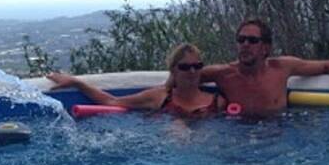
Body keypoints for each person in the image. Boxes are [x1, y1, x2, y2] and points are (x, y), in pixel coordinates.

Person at [201, 18, 329, 116]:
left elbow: (327, 65)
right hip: (239, 136)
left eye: (252, 41)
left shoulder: (281, 68)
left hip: (279, 136)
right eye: (241, 40)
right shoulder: (223, 74)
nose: (245, 44)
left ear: (265, 47)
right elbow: (185, 74)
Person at [47, 43, 224, 119]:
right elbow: (112, 101)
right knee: (177, 128)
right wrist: (77, 83)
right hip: (172, 150)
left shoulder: (218, 102)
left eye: (197, 66)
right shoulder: (159, 97)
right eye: (185, 67)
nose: (192, 71)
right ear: (174, 71)